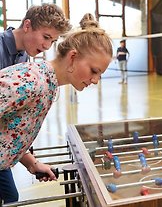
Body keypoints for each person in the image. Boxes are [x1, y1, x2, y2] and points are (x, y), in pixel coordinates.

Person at [0, 27, 113, 204]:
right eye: (94, 70)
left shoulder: (49, 86)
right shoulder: (32, 80)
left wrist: (31, 163)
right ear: (73, 57)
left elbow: (8, 130)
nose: (95, 80)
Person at [0, 3, 71, 203]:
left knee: (11, 198)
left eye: (53, 41)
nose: (47, 47)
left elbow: (10, 124)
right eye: (46, 37)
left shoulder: (24, 58)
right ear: (28, 25)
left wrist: (32, 163)